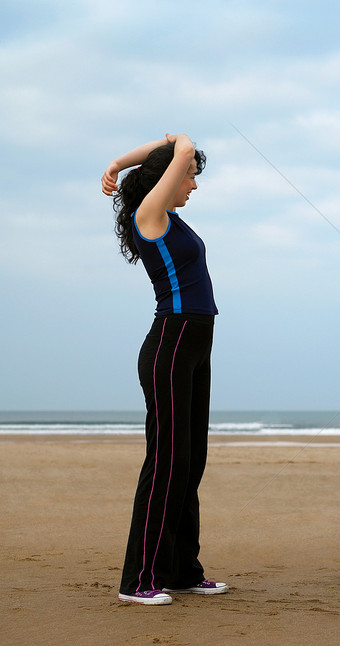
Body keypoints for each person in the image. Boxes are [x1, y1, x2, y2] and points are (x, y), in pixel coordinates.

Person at [101, 134, 228, 605]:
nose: (193, 184)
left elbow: (176, 146)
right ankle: (140, 580)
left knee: (190, 462)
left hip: (196, 343)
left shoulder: (171, 218)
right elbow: (180, 141)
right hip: (172, 343)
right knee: (166, 463)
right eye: (191, 175)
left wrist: (116, 160)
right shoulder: (149, 217)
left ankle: (181, 571)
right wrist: (127, 162)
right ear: (165, 179)